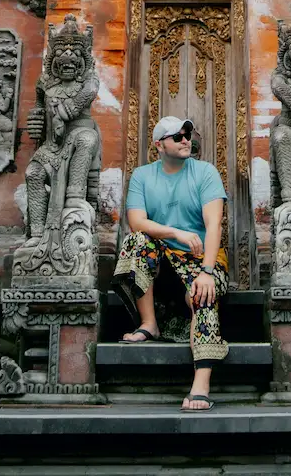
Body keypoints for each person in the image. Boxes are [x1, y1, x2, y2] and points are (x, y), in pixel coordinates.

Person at [112, 115, 228, 412]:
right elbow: (136, 222)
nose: (186, 139)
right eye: (177, 136)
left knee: (202, 295)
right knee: (136, 241)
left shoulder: (205, 172)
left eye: (188, 133)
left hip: (203, 260)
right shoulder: (142, 176)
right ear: (159, 146)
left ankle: (201, 382)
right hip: (163, 261)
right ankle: (149, 323)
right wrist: (176, 232)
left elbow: (214, 225)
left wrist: (207, 272)